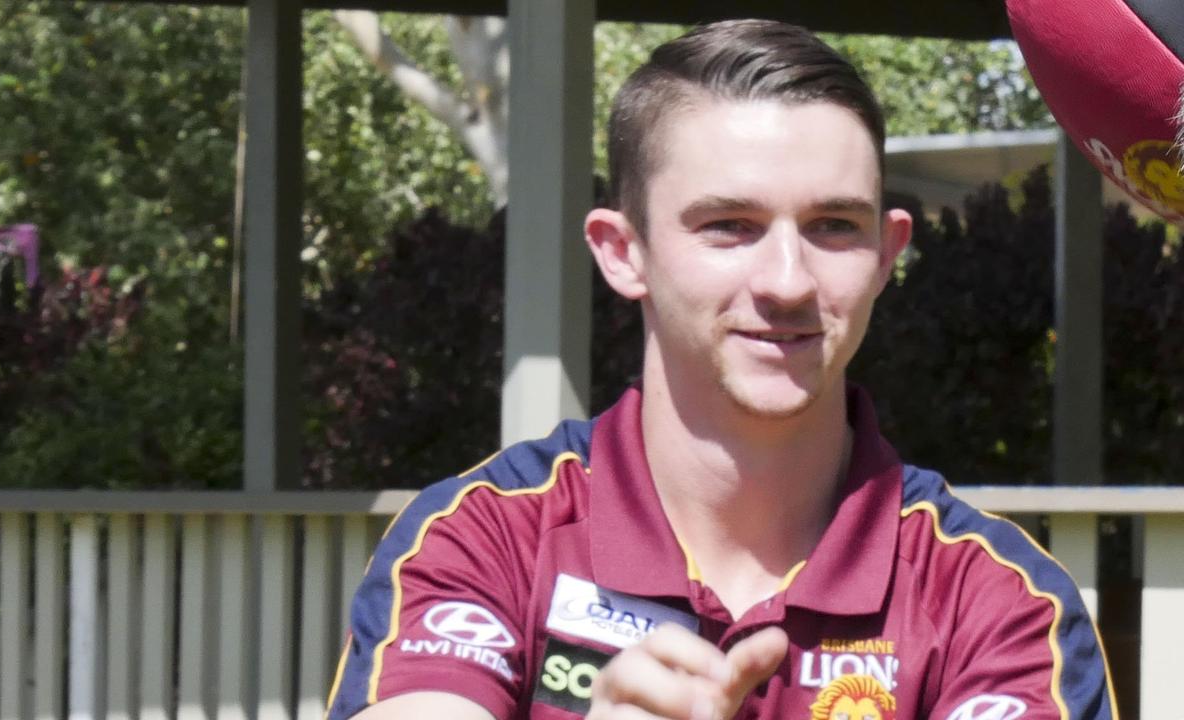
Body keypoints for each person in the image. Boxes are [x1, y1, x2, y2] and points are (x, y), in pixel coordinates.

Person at [326, 19, 1117, 720]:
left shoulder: (999, 603)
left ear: (886, 255)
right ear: (621, 251)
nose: (787, 281)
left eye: (833, 226)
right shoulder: (484, 537)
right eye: (728, 225)